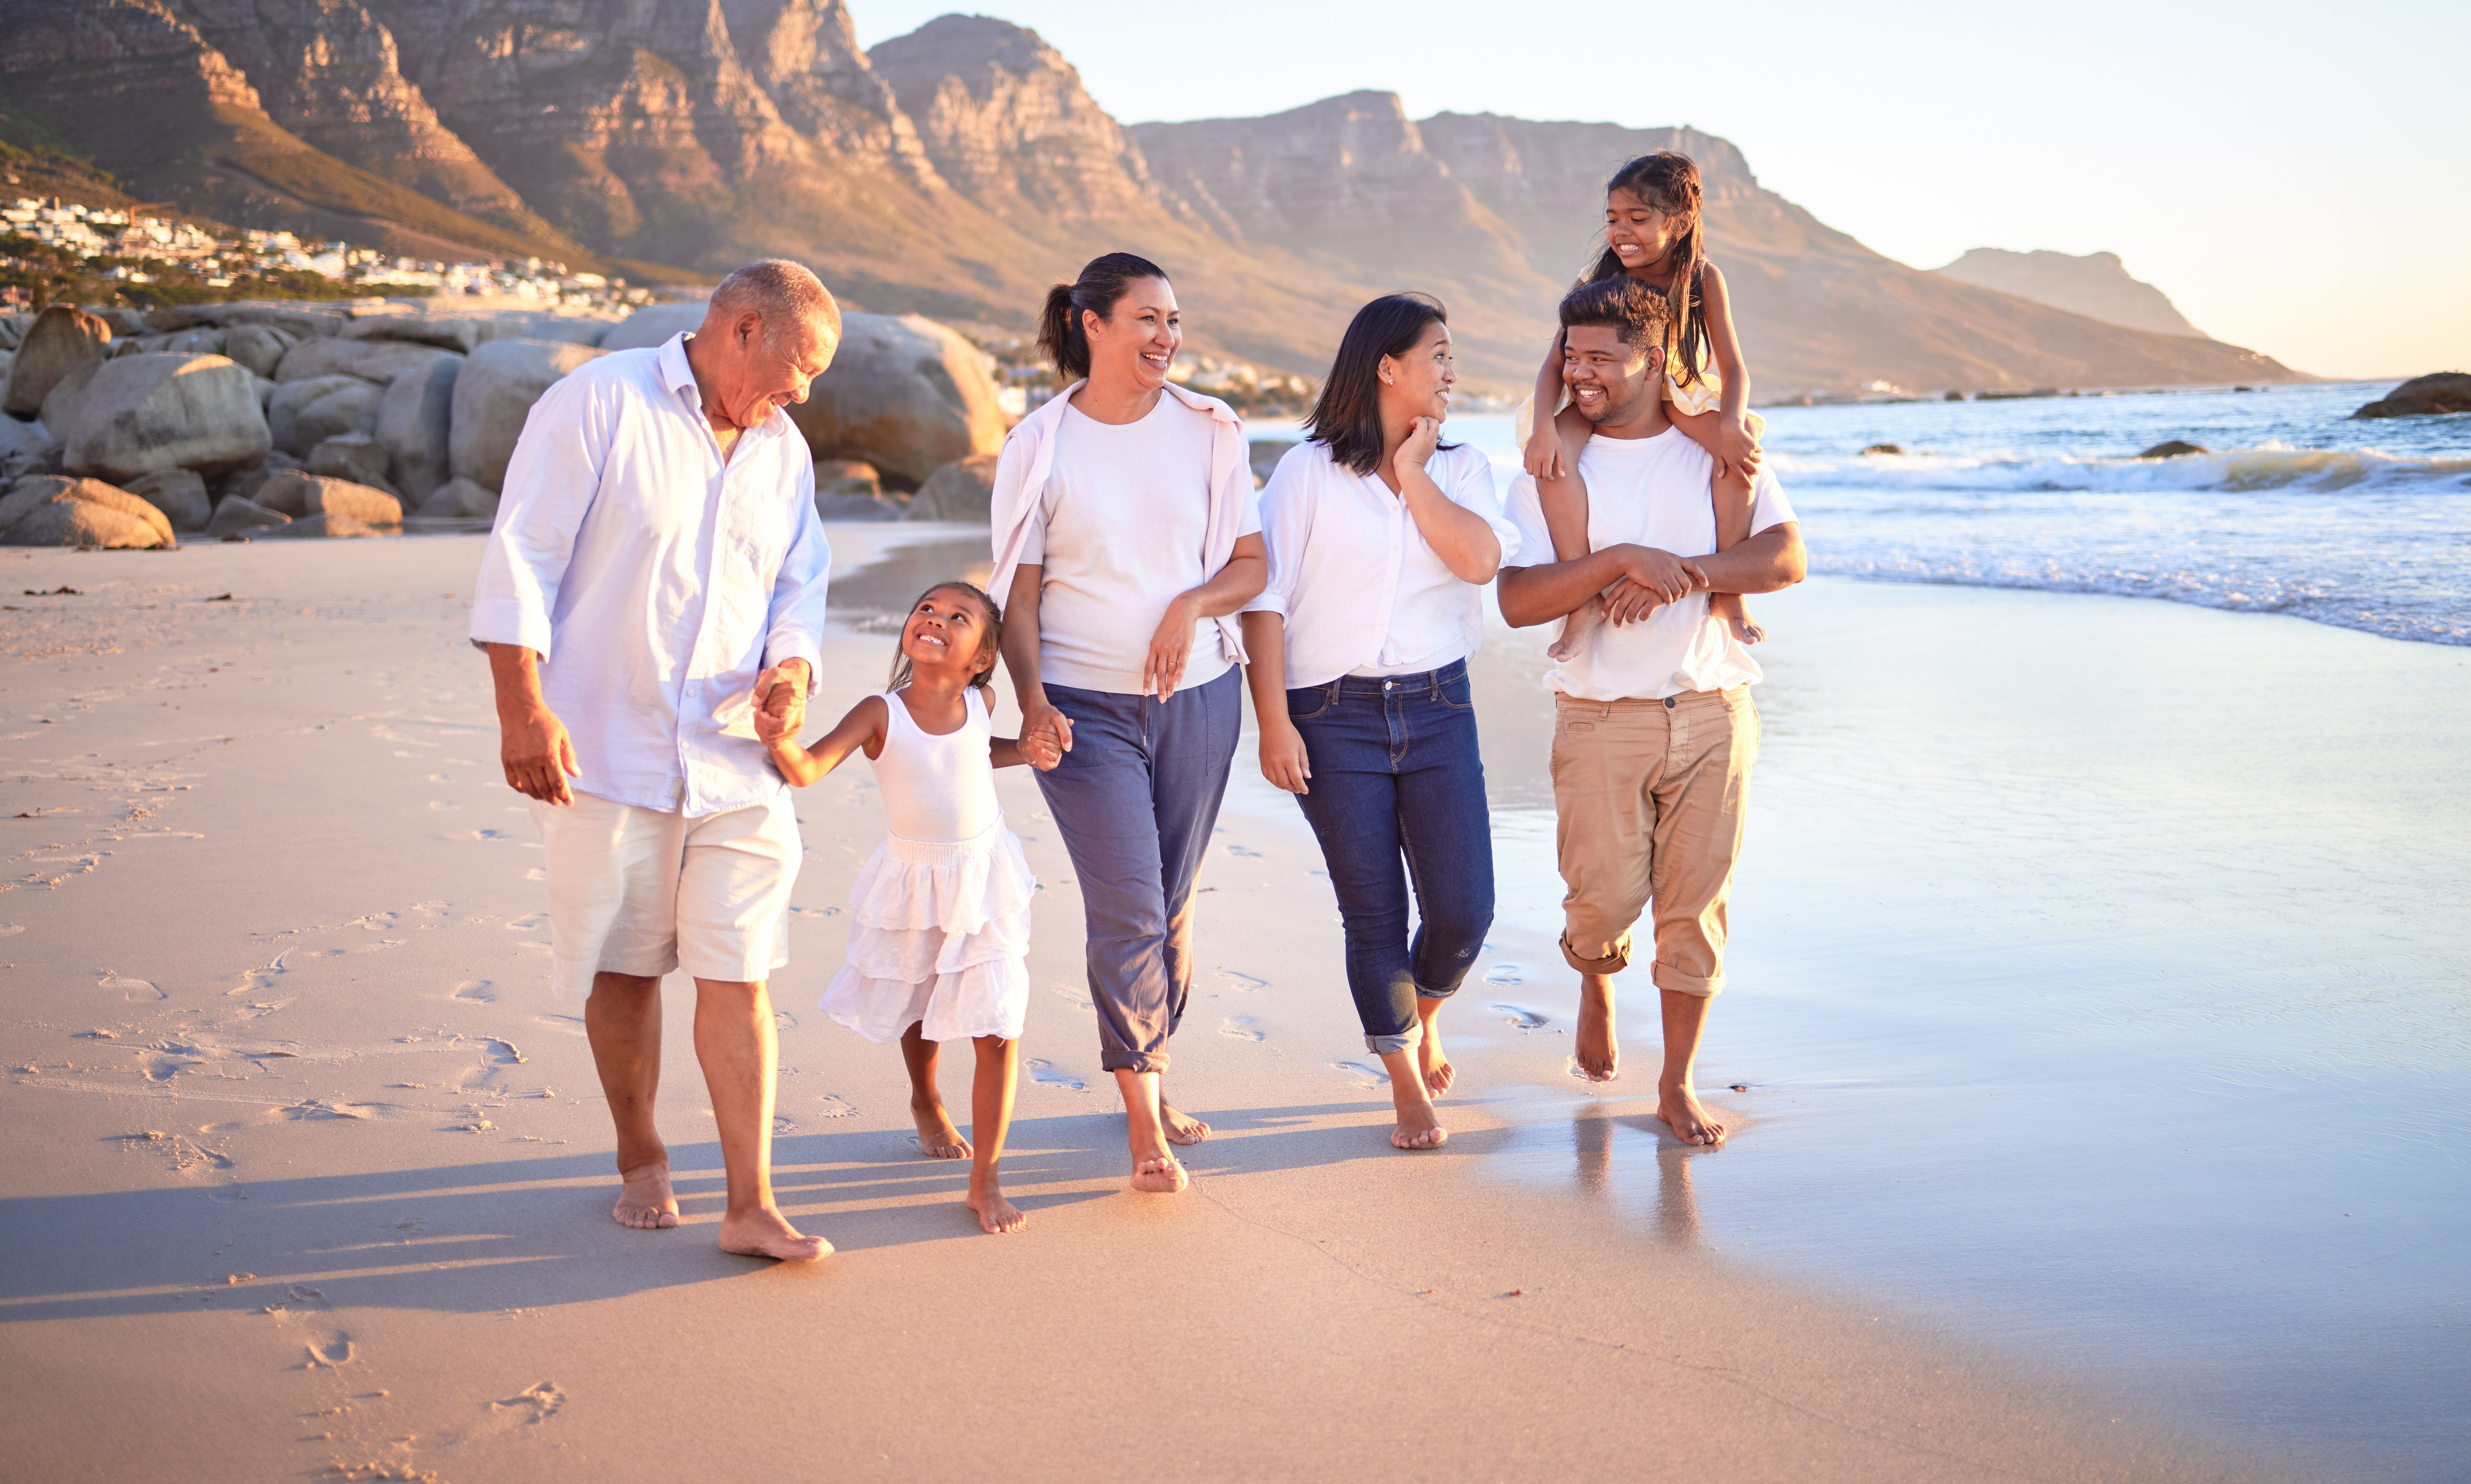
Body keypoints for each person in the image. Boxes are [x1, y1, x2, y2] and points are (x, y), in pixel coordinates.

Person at [472, 260, 839, 1260]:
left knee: (741, 969)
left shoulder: (782, 450)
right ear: (745, 331)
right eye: (801, 366)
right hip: (605, 744)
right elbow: (522, 558)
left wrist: (793, 675)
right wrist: (522, 709)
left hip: (736, 759)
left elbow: (799, 582)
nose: (807, 392)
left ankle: (751, 1202)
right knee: (627, 967)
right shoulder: (598, 402)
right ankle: (641, 1155)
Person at [1495, 274, 1807, 1148]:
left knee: (1693, 910)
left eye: (1601, 357)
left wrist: (1689, 571)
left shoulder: (1715, 453)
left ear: (1653, 359)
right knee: (1600, 904)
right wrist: (1621, 562)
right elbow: (1517, 600)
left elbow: (1784, 558)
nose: (1581, 372)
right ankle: (1594, 975)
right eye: (1572, 355)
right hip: (1598, 716)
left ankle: (1675, 1083)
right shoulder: (1552, 460)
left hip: (1713, 707)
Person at [987, 252, 1269, 1194]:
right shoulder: (1041, 443)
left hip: (1198, 699)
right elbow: (1018, 597)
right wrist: (1031, 704)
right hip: (1080, 708)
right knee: (1131, 906)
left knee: (1173, 906)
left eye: (1174, 322)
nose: (1166, 338)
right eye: (1147, 319)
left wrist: (1189, 606)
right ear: (1091, 324)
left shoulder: (1211, 430)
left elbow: (1251, 566)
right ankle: (1142, 1109)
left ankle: (1153, 1059)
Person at [1240, 292, 1519, 1150]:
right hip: (1331, 715)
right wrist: (1273, 725)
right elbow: (1265, 602)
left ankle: (1421, 1016)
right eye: (1437, 353)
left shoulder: (1464, 468)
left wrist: (1411, 476)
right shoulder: (1306, 472)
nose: (1449, 368)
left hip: (1439, 707)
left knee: (1465, 911)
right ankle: (1402, 1079)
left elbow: (1476, 560)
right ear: (1386, 367)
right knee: (1373, 914)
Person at [758, 581, 1061, 1235]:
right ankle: (926, 1099)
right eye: (926, 608)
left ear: (983, 657)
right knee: (918, 1000)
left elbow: (978, 754)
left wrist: (1027, 751)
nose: (936, 620)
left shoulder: (982, 702)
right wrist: (775, 740)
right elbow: (807, 770)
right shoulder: (880, 713)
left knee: (999, 1026)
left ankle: (987, 1180)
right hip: (913, 879)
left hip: (984, 877)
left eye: (959, 617)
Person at [1519, 152, 1767, 660]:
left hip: (1673, 389)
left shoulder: (1702, 278)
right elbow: (1553, 367)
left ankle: (1729, 592)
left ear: (1678, 223)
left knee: (1735, 460)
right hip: (1607, 392)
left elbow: (1735, 368)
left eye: (1638, 219)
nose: (1621, 231)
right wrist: (1544, 427)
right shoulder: (1598, 283)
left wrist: (1733, 424)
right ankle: (1582, 601)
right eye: (1613, 219)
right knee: (1554, 461)